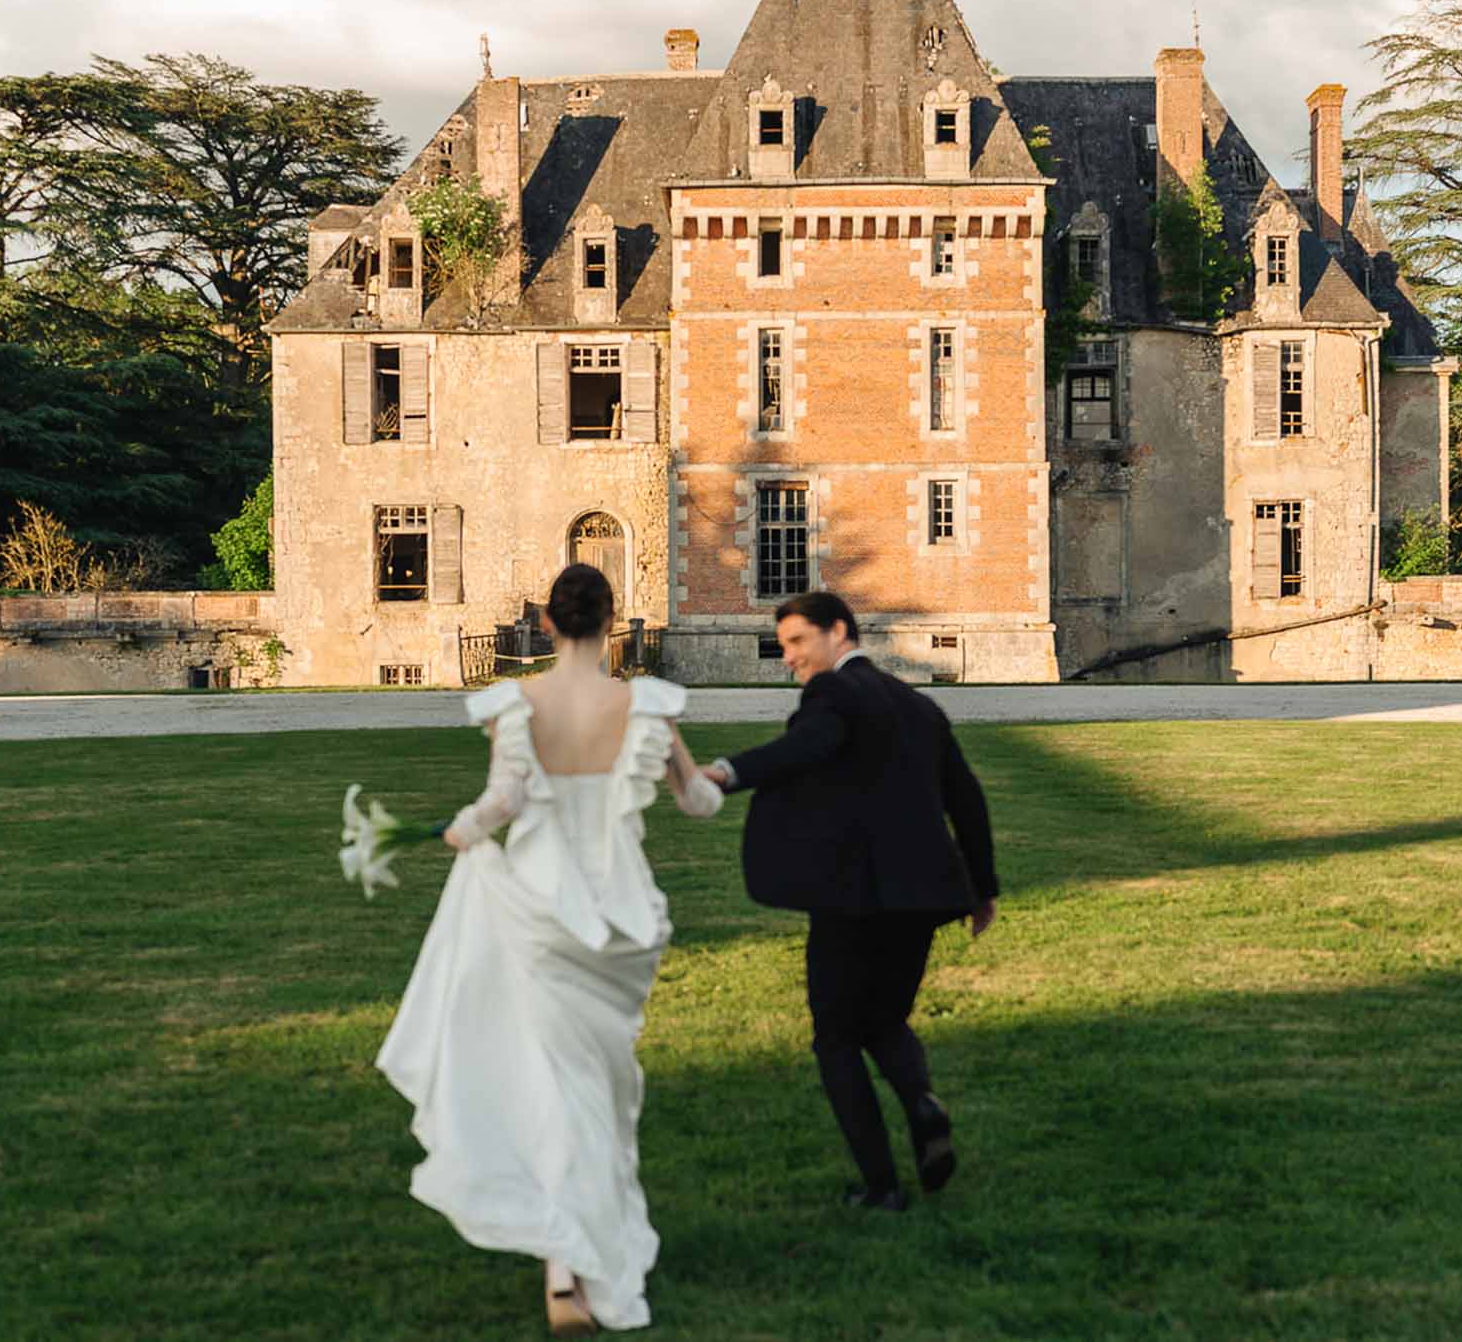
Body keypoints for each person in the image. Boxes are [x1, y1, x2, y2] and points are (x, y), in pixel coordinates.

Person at [375, 565, 723, 1336]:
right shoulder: (646, 705)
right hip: (624, 921)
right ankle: (573, 1255)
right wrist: (726, 779)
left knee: (560, 1086)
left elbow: (504, 800)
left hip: (540, 907)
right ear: (611, 620)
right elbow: (696, 801)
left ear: (550, 621)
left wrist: (461, 830)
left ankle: (563, 1265)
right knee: (605, 1085)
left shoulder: (517, 703)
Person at [703, 592, 997, 1211]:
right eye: (784, 647)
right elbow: (964, 797)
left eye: (798, 643)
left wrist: (729, 771)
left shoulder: (833, 696)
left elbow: (803, 748)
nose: (790, 659)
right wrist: (983, 889)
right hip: (922, 897)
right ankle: (922, 1104)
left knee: (835, 1036)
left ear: (839, 632)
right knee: (885, 1021)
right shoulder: (918, 705)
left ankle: (882, 1186)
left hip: (853, 898)